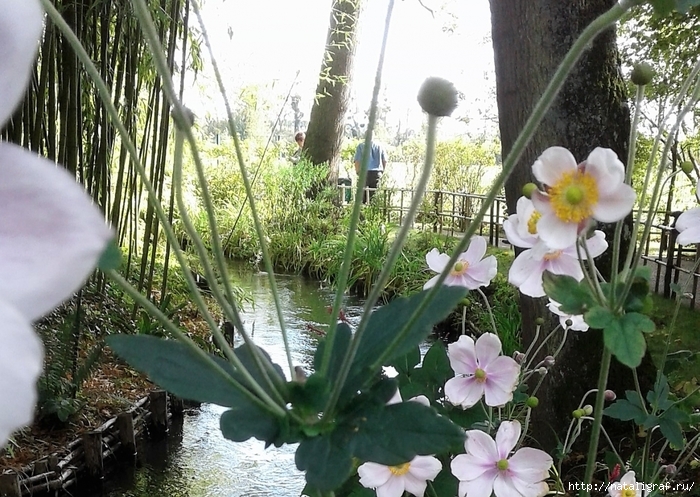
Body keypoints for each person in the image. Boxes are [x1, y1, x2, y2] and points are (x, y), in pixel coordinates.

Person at [354, 138, 387, 204]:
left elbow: (357, 161)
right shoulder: (380, 146)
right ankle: (374, 211)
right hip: (377, 173)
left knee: (362, 197)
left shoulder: (361, 146)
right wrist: (382, 171)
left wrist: (358, 172)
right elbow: (385, 161)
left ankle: (362, 211)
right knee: (374, 196)